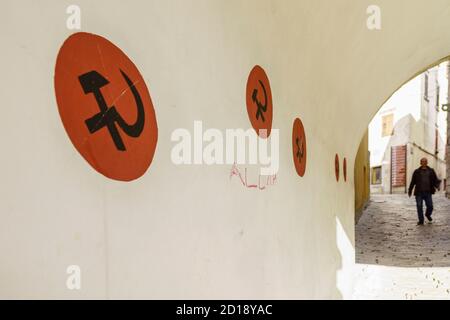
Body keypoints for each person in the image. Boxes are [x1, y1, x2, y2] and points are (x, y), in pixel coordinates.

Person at [408, 158, 441, 225]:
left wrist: (437, 186)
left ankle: (427, 214)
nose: (424, 163)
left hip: (428, 192)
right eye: (423, 161)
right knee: (419, 206)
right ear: (420, 163)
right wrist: (410, 190)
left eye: (425, 161)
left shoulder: (431, 171)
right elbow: (413, 182)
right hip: (419, 192)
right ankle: (421, 220)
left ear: (427, 162)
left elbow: (435, 180)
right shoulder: (416, 171)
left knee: (430, 206)